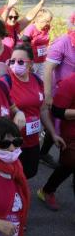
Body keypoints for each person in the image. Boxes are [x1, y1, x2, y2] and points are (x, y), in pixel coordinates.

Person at [2, 43, 64, 179]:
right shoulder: (5, 82)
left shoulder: (37, 81)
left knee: (29, 173)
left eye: (20, 61)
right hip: (11, 144)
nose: (15, 64)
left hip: (32, 141)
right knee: (11, 177)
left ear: (30, 64)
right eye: (12, 61)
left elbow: (42, 110)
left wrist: (53, 134)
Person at [37, 73, 75, 211]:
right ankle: (47, 191)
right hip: (71, 135)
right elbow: (57, 111)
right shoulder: (70, 82)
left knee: (67, 167)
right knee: (68, 165)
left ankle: (47, 190)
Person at [41, 23, 75, 167]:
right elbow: (48, 68)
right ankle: (63, 161)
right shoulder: (63, 42)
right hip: (61, 93)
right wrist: (48, 94)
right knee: (58, 125)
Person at [22, 8, 52, 77]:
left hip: (43, 60)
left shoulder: (46, 28)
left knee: (42, 81)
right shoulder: (31, 29)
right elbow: (24, 44)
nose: (48, 24)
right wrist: (29, 60)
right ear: (38, 19)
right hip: (33, 62)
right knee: (32, 79)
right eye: (46, 21)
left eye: (49, 21)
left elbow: (46, 41)